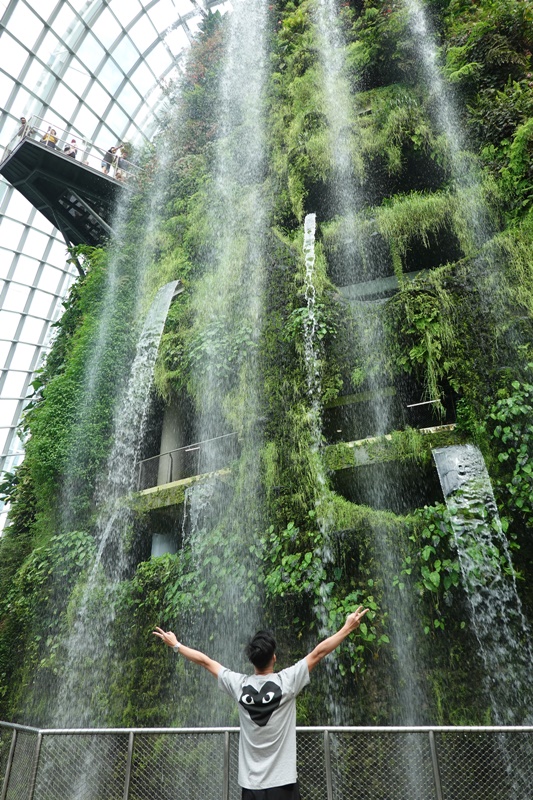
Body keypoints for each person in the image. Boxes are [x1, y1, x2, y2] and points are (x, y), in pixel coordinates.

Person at [153, 604, 369, 800]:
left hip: (251, 787)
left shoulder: (238, 685)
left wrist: (176, 644)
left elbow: (205, 662)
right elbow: (319, 652)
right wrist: (347, 628)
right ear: (274, 657)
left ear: (251, 660)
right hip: (283, 785)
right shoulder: (288, 682)